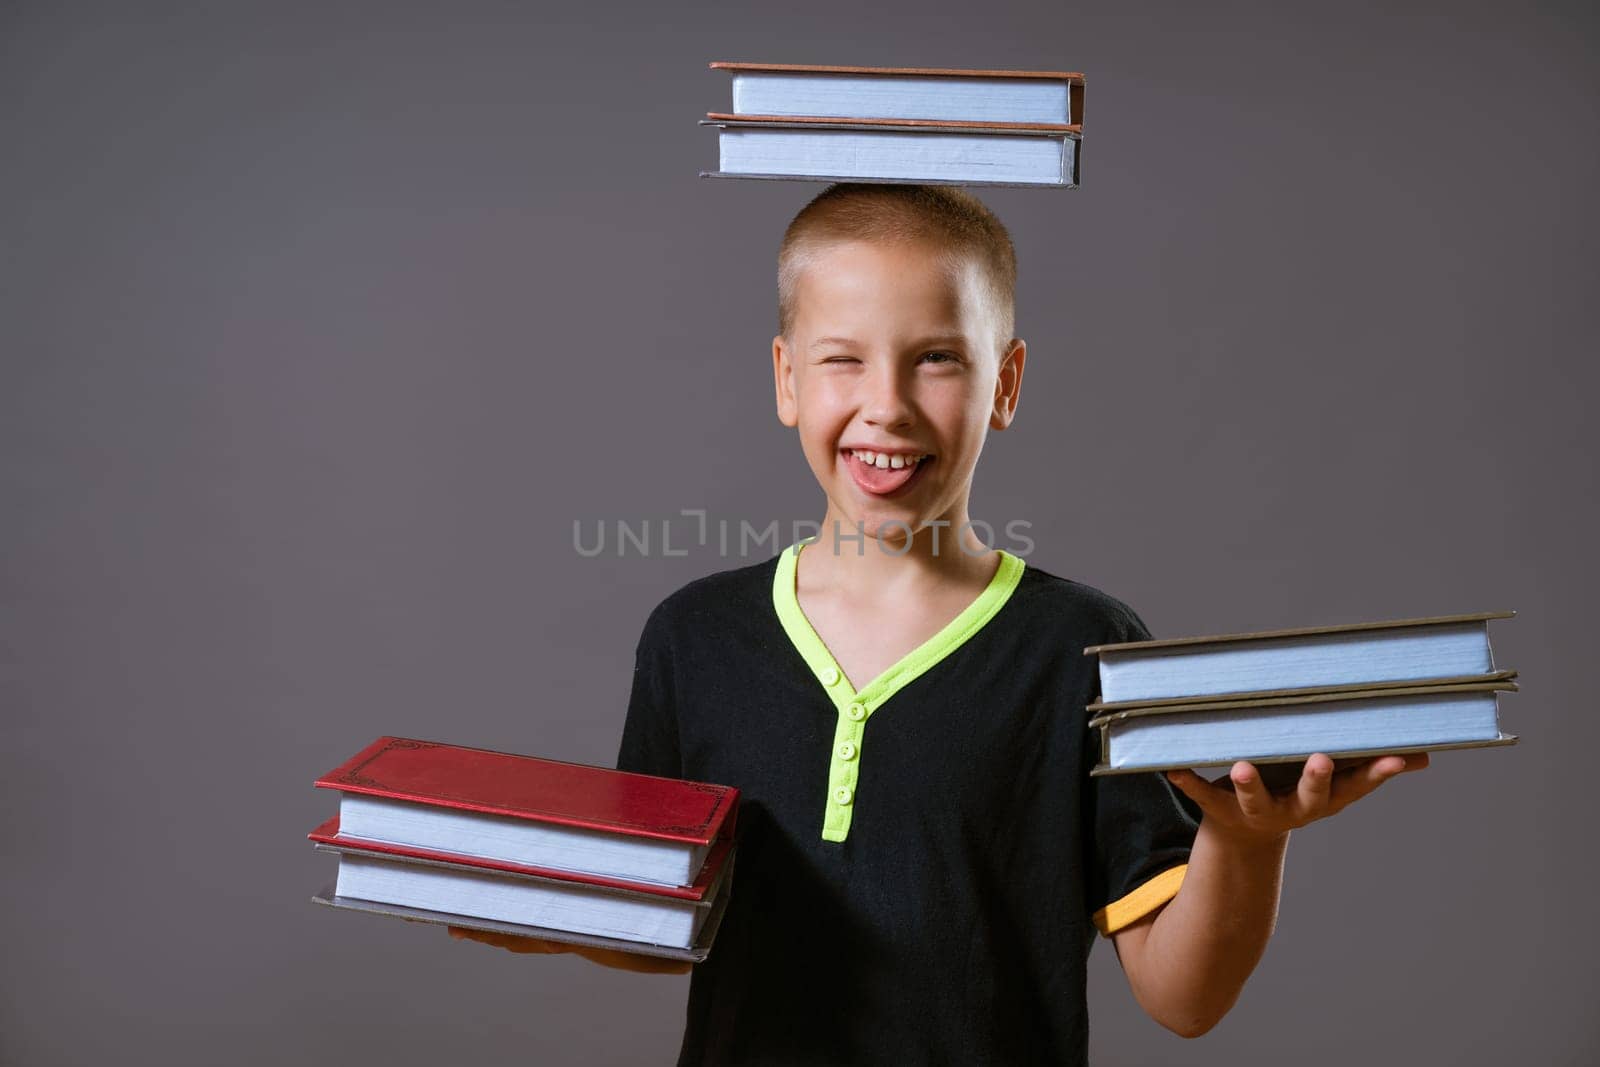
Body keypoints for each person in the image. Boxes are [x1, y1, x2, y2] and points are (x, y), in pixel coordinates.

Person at [451, 183, 1428, 1063]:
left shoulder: (1085, 651)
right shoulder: (692, 635)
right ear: (786, 377)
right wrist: (557, 907)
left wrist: (1246, 844)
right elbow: (678, 928)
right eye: (843, 360)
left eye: (936, 361)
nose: (887, 405)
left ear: (1005, 383)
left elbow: (1183, 997)